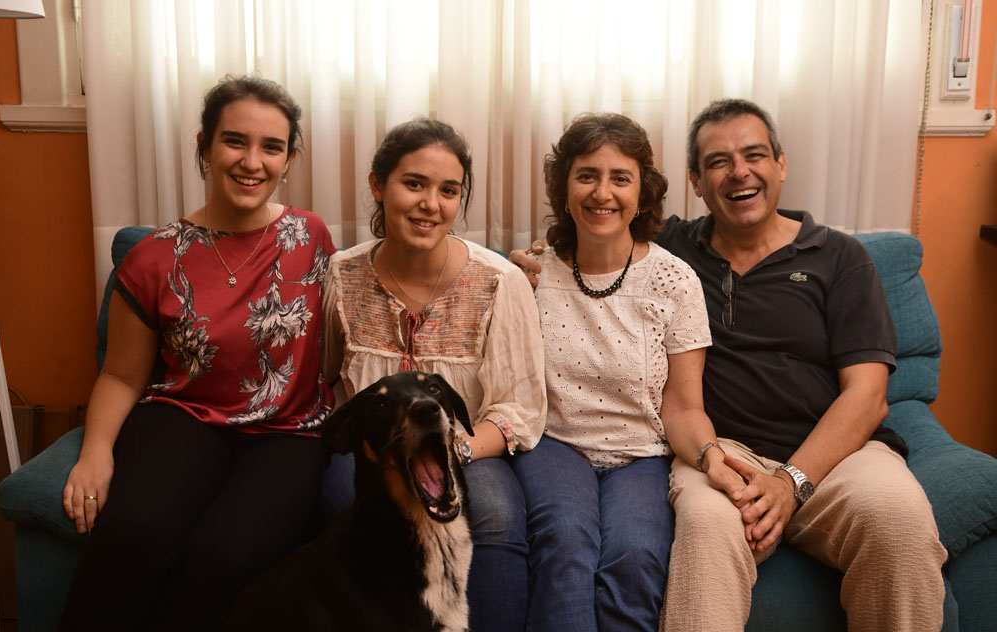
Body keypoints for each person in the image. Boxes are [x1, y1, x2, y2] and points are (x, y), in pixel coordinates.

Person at [513, 99, 948, 631]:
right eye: (719, 161)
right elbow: (599, 234)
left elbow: (868, 395)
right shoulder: (669, 248)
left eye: (755, 155)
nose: (739, 172)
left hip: (837, 460)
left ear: (781, 164)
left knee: (900, 522)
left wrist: (792, 482)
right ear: (695, 180)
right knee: (703, 533)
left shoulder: (839, 257)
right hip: (718, 456)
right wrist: (532, 268)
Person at [59, 75, 336, 631]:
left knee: (225, 555)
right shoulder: (151, 258)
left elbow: (394, 269)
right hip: (183, 418)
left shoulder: (310, 237)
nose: (251, 161)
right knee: (136, 531)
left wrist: (514, 264)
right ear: (205, 148)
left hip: (290, 432)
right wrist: (96, 453)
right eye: (235, 141)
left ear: (290, 159)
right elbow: (119, 375)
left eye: (272, 147)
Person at [510, 113, 744, 632]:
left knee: (635, 557)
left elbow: (683, 406)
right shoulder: (530, 274)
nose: (602, 193)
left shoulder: (673, 280)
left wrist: (710, 456)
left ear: (643, 194)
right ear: (564, 188)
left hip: (642, 453)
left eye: (621, 178)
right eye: (586, 175)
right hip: (554, 444)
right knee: (565, 542)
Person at [321, 118, 546, 632]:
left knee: (492, 511)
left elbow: (520, 409)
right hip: (375, 448)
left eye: (448, 191)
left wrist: (450, 448)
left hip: (468, 444)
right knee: (346, 497)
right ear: (378, 185)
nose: (431, 204)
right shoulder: (341, 273)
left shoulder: (499, 282)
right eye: (414, 183)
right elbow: (327, 377)